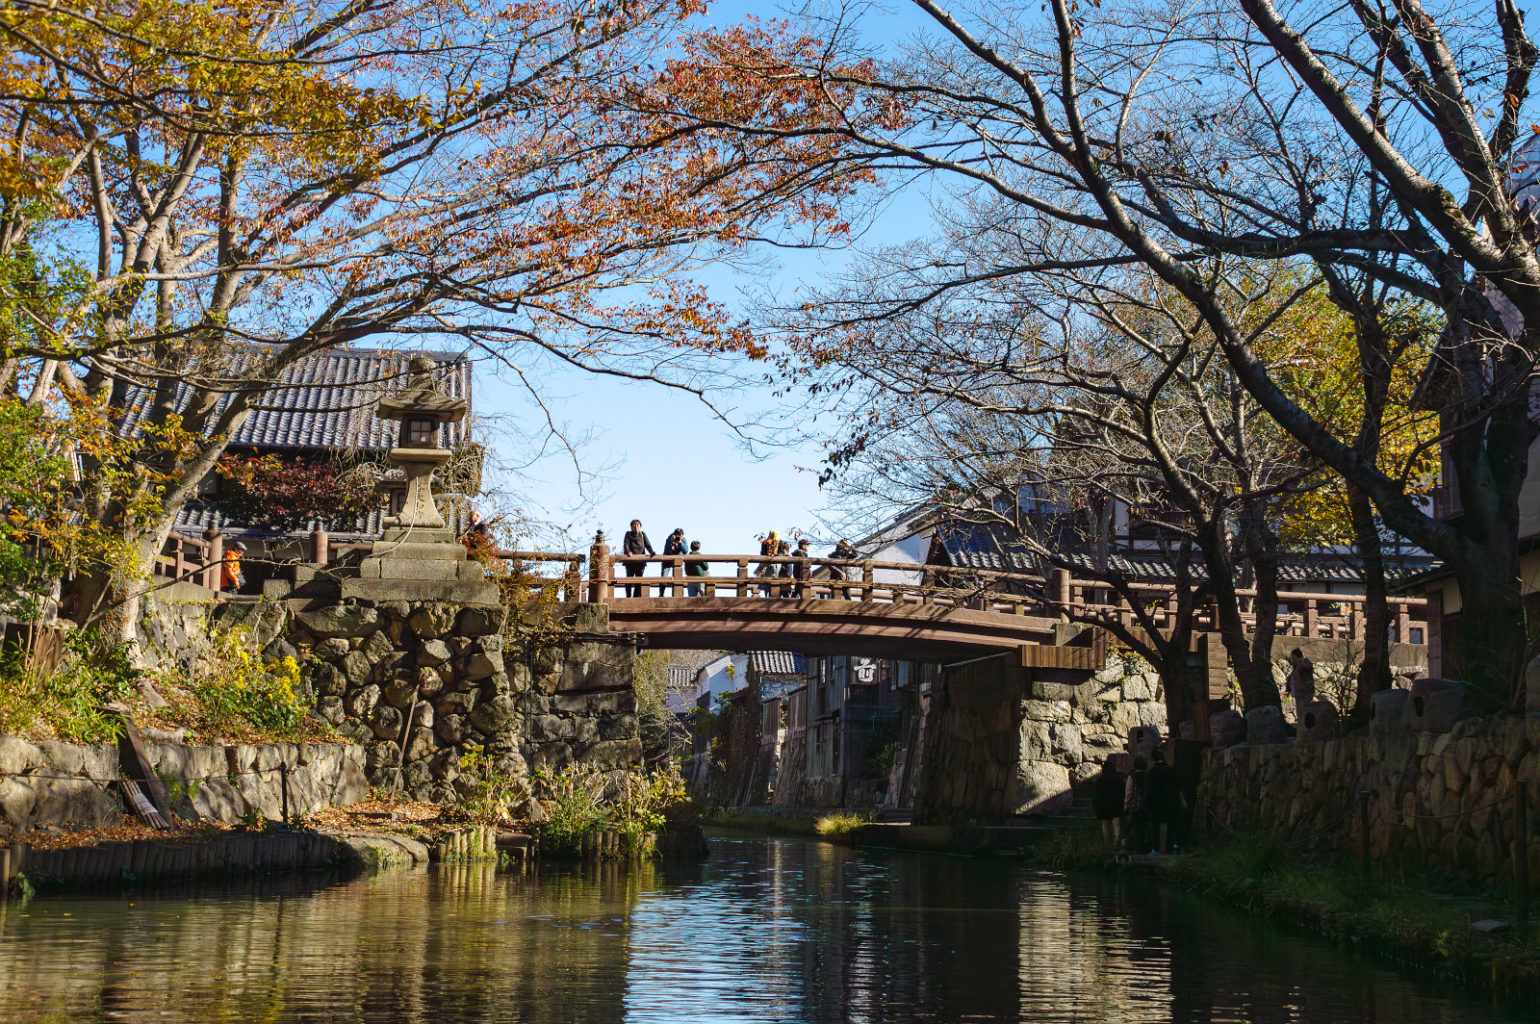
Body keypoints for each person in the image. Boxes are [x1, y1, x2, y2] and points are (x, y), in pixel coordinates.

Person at [1144, 748, 1184, 854]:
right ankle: (1175, 846)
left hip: (1156, 804)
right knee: (1173, 825)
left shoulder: (1151, 773)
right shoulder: (1171, 770)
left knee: (1155, 827)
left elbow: (1149, 790)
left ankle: (1156, 849)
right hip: (1172, 802)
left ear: (1152, 759)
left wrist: (1147, 803)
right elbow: (1179, 785)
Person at [1091, 761, 1126, 847]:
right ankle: (1117, 842)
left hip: (1103, 807)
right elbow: (1122, 793)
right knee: (1117, 826)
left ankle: (1107, 844)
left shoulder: (1100, 781)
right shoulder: (1118, 780)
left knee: (1105, 826)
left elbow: (1096, 795)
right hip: (1116, 806)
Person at [622, 519, 653, 597]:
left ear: (640, 527)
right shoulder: (628, 534)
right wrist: (628, 551)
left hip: (640, 561)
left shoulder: (643, 534)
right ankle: (628, 597)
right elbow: (626, 544)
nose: (636, 527)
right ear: (631, 527)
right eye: (634, 525)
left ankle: (636, 596)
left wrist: (651, 552)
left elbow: (647, 544)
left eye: (637, 525)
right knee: (629, 579)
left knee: (639, 580)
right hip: (630, 561)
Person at [756, 530, 779, 596]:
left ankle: (766, 596)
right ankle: (773, 596)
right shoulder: (778, 542)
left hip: (765, 564)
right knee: (774, 580)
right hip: (775, 565)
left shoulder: (765, 542)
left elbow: (762, 553)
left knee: (765, 582)